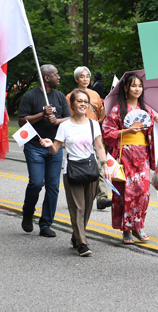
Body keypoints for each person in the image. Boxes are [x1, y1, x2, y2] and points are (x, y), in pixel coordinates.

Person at [40, 89, 110, 256]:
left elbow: (99, 147)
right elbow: (55, 149)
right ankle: (82, 243)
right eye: (79, 101)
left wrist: (105, 166)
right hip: (72, 170)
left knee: (86, 209)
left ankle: (76, 236)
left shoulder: (94, 124)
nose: (83, 104)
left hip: (91, 169)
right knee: (77, 208)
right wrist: (50, 144)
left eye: (85, 101)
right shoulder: (64, 126)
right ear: (72, 105)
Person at [102, 73, 158, 244]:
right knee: (124, 191)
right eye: (133, 86)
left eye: (139, 86)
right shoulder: (117, 110)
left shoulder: (147, 110)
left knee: (142, 192)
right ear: (126, 88)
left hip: (142, 155)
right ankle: (126, 229)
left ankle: (139, 225)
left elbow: (153, 132)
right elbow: (107, 133)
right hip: (124, 155)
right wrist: (127, 131)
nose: (137, 89)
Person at [18, 64, 71, 237]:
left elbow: (69, 119)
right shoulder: (30, 96)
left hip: (54, 147)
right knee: (36, 182)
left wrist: (57, 121)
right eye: (56, 75)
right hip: (34, 146)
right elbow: (21, 122)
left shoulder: (60, 97)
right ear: (46, 77)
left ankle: (46, 223)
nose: (59, 77)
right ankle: (28, 212)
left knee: (53, 186)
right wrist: (42, 114)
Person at [66, 66, 111, 210]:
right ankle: (82, 195)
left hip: (93, 134)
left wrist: (101, 115)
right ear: (76, 79)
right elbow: (68, 116)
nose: (85, 79)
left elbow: (101, 114)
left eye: (87, 76)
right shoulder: (70, 96)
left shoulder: (95, 95)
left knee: (98, 164)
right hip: (78, 136)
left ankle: (102, 197)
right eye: (81, 76)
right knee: (83, 166)